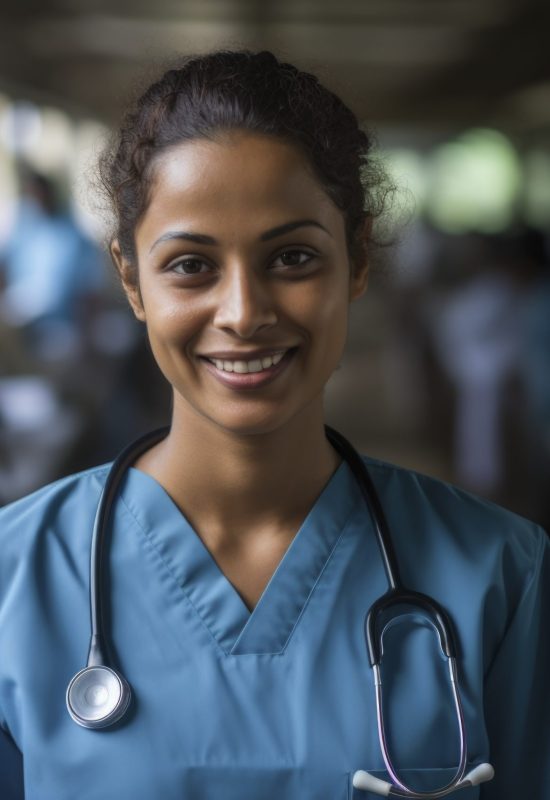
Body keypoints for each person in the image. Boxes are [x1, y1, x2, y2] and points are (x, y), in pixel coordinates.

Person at [0, 50, 548, 800]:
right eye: (191, 265)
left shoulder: (500, 576)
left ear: (357, 263)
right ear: (131, 280)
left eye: (292, 258)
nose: (244, 313)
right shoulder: (14, 580)